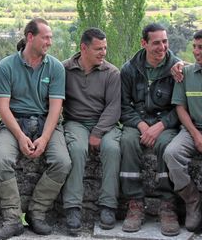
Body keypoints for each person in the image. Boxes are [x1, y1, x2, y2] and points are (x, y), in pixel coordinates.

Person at [0, 18, 72, 239]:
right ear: (30, 37)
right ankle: (12, 219)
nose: (49, 42)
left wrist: (44, 139)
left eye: (51, 37)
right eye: (45, 37)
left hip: (46, 122)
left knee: (62, 161)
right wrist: (19, 136)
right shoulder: (6, 66)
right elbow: (3, 108)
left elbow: (56, 108)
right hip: (13, 123)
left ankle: (37, 213)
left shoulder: (55, 67)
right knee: (1, 157)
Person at [120, 23, 181, 236]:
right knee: (127, 141)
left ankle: (167, 206)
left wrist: (161, 126)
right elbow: (123, 106)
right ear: (144, 43)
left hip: (166, 124)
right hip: (137, 123)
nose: (162, 47)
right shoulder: (129, 69)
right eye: (156, 42)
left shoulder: (177, 69)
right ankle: (135, 204)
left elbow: (180, 107)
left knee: (166, 144)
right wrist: (141, 125)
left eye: (165, 41)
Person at [61, 28, 121, 235]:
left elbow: (114, 107)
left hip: (105, 123)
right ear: (83, 48)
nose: (103, 52)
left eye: (105, 48)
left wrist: (97, 132)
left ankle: (108, 206)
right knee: (76, 150)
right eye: (98, 48)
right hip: (75, 122)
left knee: (112, 149)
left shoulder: (112, 73)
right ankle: (72, 208)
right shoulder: (64, 69)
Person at [163, 30, 202, 232]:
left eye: (200, 47)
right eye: (194, 47)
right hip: (191, 128)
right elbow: (180, 107)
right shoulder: (185, 73)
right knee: (171, 153)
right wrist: (195, 134)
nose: (196, 52)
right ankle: (192, 201)